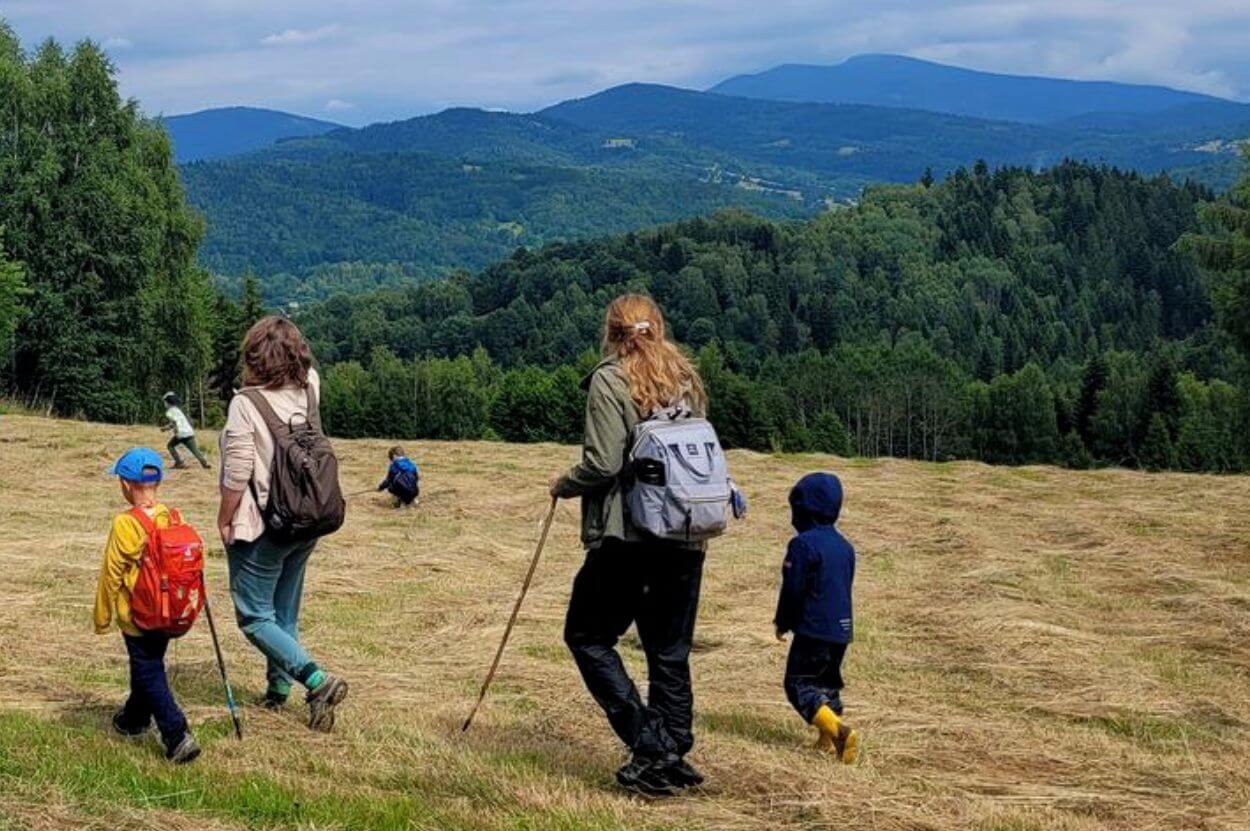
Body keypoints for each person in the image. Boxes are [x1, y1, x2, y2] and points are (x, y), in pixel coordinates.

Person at [550, 294, 709, 797]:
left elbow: (602, 463)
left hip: (628, 535)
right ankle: (673, 745)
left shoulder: (610, 379)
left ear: (612, 332)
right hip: (686, 536)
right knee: (669, 650)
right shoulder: (685, 379)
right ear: (657, 327)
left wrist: (563, 484)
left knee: (587, 636)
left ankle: (648, 743)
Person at [216, 315, 348, 729]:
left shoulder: (245, 404)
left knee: (254, 615)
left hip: (265, 523)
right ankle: (277, 692)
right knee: (283, 610)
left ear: (254, 357)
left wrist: (224, 519)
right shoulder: (311, 387)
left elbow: (237, 471)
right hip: (311, 515)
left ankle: (315, 678)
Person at [94, 447, 201, 764]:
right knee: (148, 665)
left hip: (138, 616)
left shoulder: (125, 523)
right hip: (169, 612)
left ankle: (176, 734)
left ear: (125, 485)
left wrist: (102, 617)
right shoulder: (172, 516)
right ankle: (134, 719)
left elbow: (111, 574)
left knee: (149, 670)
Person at [774, 472, 860, 764]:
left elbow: (794, 589)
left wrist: (783, 621)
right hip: (841, 630)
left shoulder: (803, 545)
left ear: (802, 509)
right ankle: (829, 744)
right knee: (827, 684)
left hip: (813, 629)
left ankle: (837, 731)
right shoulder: (846, 547)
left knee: (798, 684)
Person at [162, 392, 210, 469]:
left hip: (181, 433)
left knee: (170, 446)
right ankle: (204, 463)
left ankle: (179, 463)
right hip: (189, 432)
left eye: (164, 402)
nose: (164, 404)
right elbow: (179, 421)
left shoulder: (169, 412)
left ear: (168, 403)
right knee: (195, 450)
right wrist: (166, 428)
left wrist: (175, 432)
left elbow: (174, 422)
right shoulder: (178, 410)